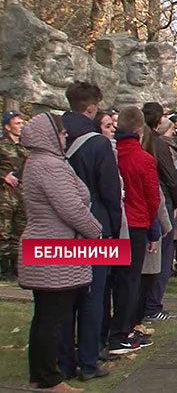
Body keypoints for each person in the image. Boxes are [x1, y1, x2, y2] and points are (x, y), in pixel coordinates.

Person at [18, 113, 102, 393]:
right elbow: (72, 208)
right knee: (53, 316)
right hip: (55, 247)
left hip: (49, 243)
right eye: (63, 133)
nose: (66, 137)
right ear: (51, 135)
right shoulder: (50, 166)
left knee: (45, 315)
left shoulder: (40, 163)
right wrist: (95, 230)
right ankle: (49, 378)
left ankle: (39, 374)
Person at [59, 83, 123, 381]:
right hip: (96, 225)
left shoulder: (55, 138)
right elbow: (111, 192)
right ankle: (88, 360)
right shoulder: (98, 144)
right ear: (93, 107)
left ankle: (63, 359)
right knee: (93, 295)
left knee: (62, 298)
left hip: (59, 228)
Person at [107, 107, 160, 355]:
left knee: (110, 282)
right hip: (136, 223)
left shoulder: (110, 153)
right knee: (129, 281)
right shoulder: (143, 159)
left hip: (111, 223)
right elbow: (152, 197)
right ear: (140, 131)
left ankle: (106, 330)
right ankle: (122, 331)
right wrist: (152, 228)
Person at [140, 103, 177, 323]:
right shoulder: (158, 145)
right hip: (159, 202)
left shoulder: (136, 143)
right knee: (162, 257)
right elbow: (170, 177)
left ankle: (144, 306)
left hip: (140, 204)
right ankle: (153, 306)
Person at [0, 109, 26, 281]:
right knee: (4, 231)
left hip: (23, 194)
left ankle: (19, 267)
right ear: (7, 127)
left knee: (21, 230)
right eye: (17, 123)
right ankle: (4, 267)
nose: (21, 126)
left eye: (22, 123)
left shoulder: (25, 146)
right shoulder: (2, 145)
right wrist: (3, 176)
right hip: (5, 194)